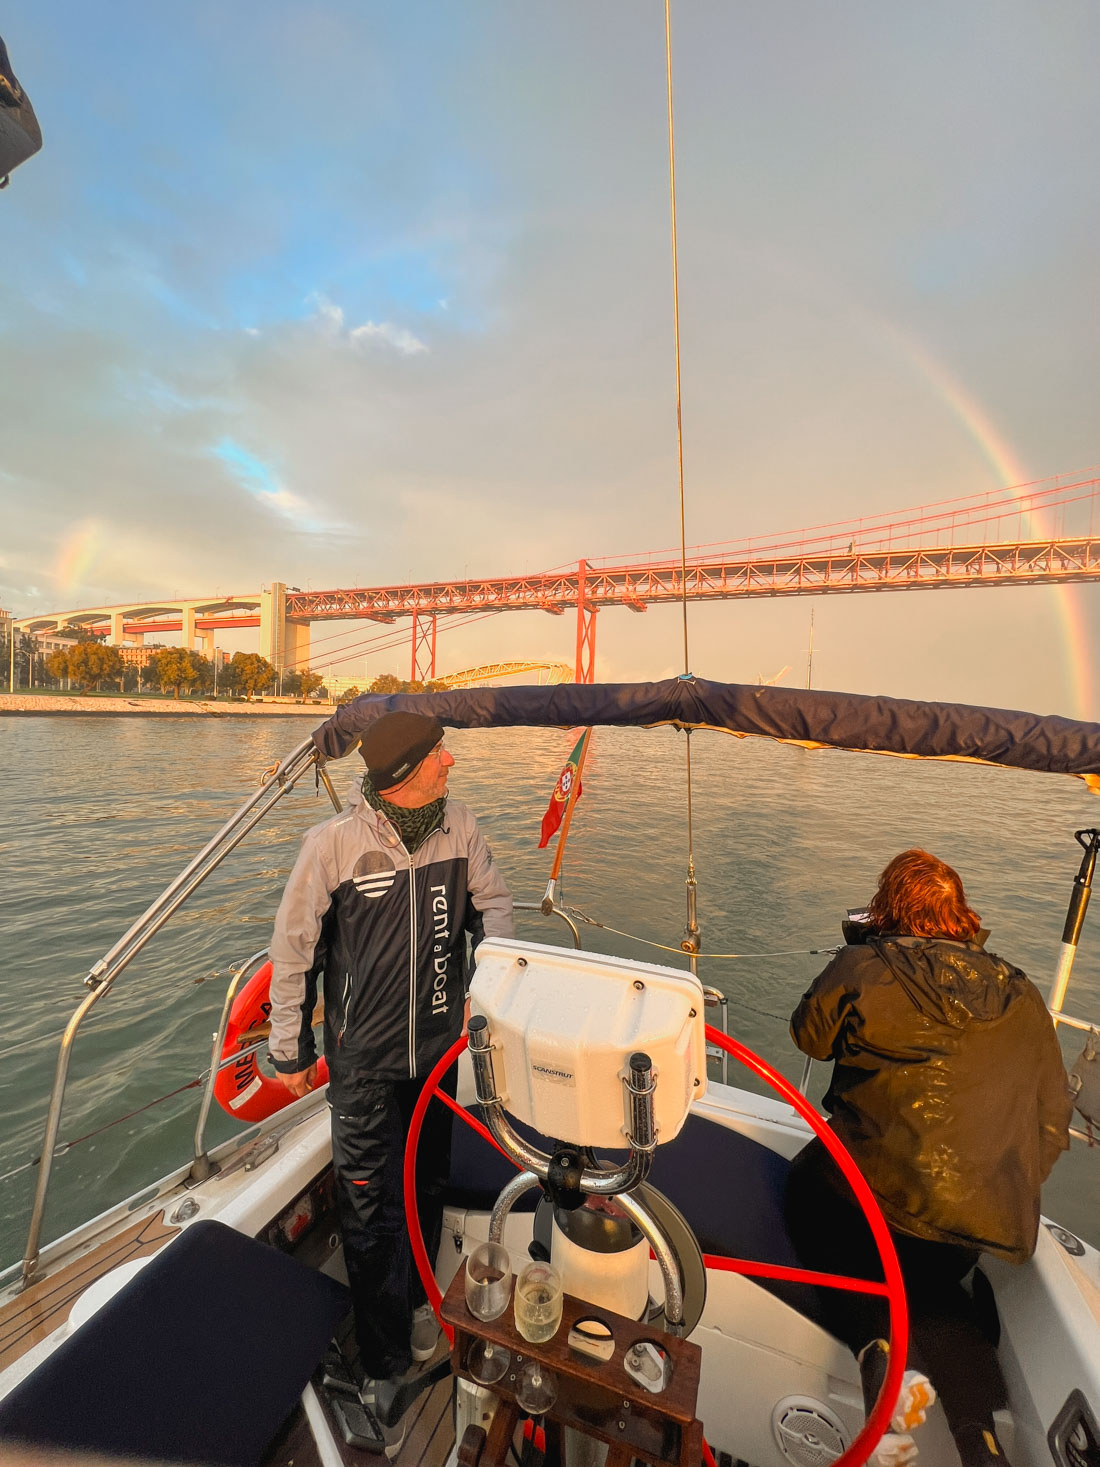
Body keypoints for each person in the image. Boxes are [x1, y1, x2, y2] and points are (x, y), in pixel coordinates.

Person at [267, 710, 513, 1449]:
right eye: (441, 756)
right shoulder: (332, 846)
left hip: (436, 1058)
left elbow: (494, 905)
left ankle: (414, 1308)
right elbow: (293, 950)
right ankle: (381, 1361)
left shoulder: (460, 828)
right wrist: (289, 1049)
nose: (452, 763)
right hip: (364, 1065)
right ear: (404, 777)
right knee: (369, 1210)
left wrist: (489, 980)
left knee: (428, 1185)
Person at [785, 849, 1071, 1467]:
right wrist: (994, 1181)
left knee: (812, 1197)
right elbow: (1053, 1122)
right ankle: (981, 1440)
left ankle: (879, 1362)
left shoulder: (866, 964)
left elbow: (808, 1034)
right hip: (974, 1219)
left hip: (870, 1198)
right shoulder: (1021, 990)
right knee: (936, 1284)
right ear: (961, 914)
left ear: (888, 907)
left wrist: (857, 951)